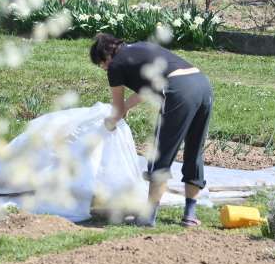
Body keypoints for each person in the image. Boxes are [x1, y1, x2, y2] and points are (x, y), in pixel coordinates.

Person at [89, 33, 213, 227]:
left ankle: (148, 216)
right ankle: (190, 214)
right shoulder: (140, 49)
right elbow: (147, 89)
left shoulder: (115, 66)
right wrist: (126, 108)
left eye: (101, 64)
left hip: (179, 89)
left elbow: (117, 109)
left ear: (105, 57)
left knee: (160, 153)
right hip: (203, 84)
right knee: (194, 151)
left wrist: (107, 125)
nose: (103, 68)